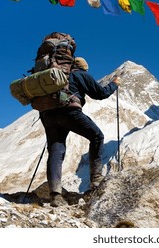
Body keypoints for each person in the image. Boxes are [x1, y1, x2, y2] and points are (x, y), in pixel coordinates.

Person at [40, 56, 121, 207]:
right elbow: (100, 94)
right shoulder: (80, 74)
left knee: (56, 150)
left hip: (47, 114)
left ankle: (55, 196)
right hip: (69, 112)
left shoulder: (55, 76)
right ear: (83, 67)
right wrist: (114, 84)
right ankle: (96, 179)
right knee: (97, 136)